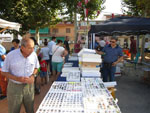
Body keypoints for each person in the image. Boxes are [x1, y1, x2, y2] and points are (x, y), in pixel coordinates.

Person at [1, 38, 39, 113]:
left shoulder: (33, 54)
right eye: (29, 48)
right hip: (14, 87)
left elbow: (36, 67)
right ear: (22, 47)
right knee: (14, 110)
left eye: (33, 48)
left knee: (30, 109)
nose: (32, 50)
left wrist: (32, 76)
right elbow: (4, 72)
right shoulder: (11, 55)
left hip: (29, 87)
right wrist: (16, 78)